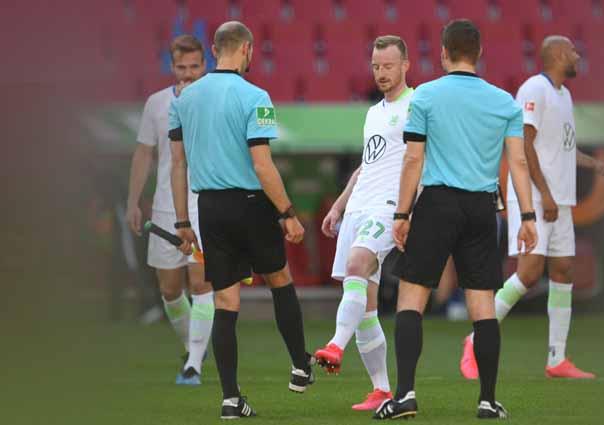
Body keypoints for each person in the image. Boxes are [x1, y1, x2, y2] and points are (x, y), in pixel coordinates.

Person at [373, 19, 538, 420]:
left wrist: (401, 212)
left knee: (412, 299)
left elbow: (414, 158)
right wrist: (528, 216)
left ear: (443, 53)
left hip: (437, 204)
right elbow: (517, 161)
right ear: (479, 53)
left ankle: (405, 396)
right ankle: (487, 400)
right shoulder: (504, 102)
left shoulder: (425, 96)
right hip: (483, 208)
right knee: (482, 306)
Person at [168, 21, 312, 419]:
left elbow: (177, 164)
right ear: (247, 49)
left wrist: (183, 221)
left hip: (210, 208)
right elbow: (261, 164)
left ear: (214, 50)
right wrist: (287, 213)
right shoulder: (256, 96)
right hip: (251, 203)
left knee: (225, 300)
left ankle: (231, 399)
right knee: (279, 280)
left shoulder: (183, 100)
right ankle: (300, 367)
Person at [459, 35, 604, 381]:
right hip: (533, 196)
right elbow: (524, 142)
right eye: (573, 50)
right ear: (559, 55)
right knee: (529, 273)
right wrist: (542, 193)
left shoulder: (564, 94)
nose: (577, 55)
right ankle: (473, 338)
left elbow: (561, 148)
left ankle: (557, 358)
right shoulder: (534, 89)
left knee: (563, 270)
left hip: (559, 198)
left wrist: (593, 164)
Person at [314, 35, 412, 411]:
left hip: (387, 208)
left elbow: (421, 160)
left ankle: (335, 344)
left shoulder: (416, 105)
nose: (382, 73)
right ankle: (382, 390)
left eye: (388, 66)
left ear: (405, 65)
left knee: (357, 264)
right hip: (358, 207)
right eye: (376, 67)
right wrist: (339, 206)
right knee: (366, 305)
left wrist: (408, 210)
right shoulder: (373, 112)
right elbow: (367, 165)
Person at [125, 34, 213, 385]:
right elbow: (144, 153)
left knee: (201, 282)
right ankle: (197, 344)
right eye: (181, 67)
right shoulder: (156, 104)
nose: (188, 74)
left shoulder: (214, 101)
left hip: (204, 203)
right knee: (170, 290)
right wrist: (133, 201)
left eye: (194, 66)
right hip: (164, 207)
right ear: (171, 66)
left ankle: (193, 363)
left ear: (205, 65)